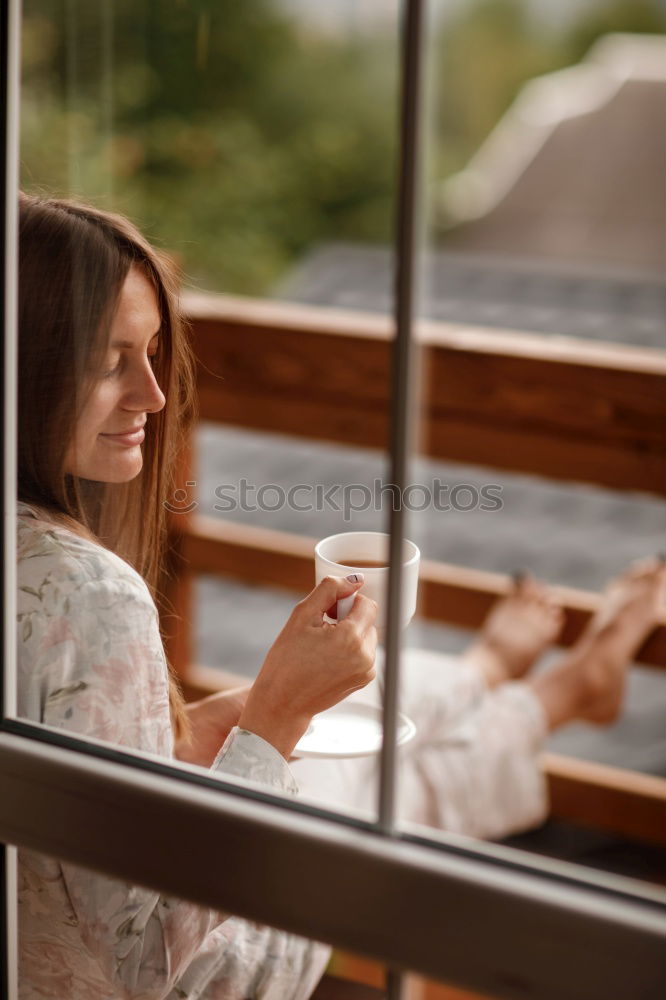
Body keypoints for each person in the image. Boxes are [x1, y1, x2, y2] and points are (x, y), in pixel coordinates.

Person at [16, 193, 665, 1000]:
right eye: (112, 360)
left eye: (152, 353)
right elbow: (146, 963)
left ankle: (516, 678)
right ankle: (545, 685)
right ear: (27, 361)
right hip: (219, 964)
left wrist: (207, 732)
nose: (153, 394)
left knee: (365, 731)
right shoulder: (91, 592)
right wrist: (277, 718)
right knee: (381, 769)